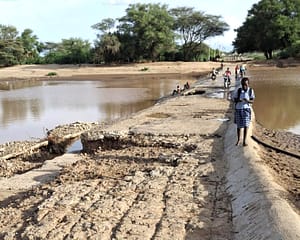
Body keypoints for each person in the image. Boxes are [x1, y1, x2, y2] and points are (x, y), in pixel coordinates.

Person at [233, 77, 255, 146]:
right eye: (243, 85)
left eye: (246, 85)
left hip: (246, 109)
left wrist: (247, 100)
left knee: (246, 125)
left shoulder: (250, 91)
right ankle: (239, 140)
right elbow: (234, 99)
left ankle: (244, 141)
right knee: (239, 126)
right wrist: (238, 100)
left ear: (248, 84)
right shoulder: (239, 90)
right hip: (239, 109)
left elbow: (252, 100)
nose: (244, 86)